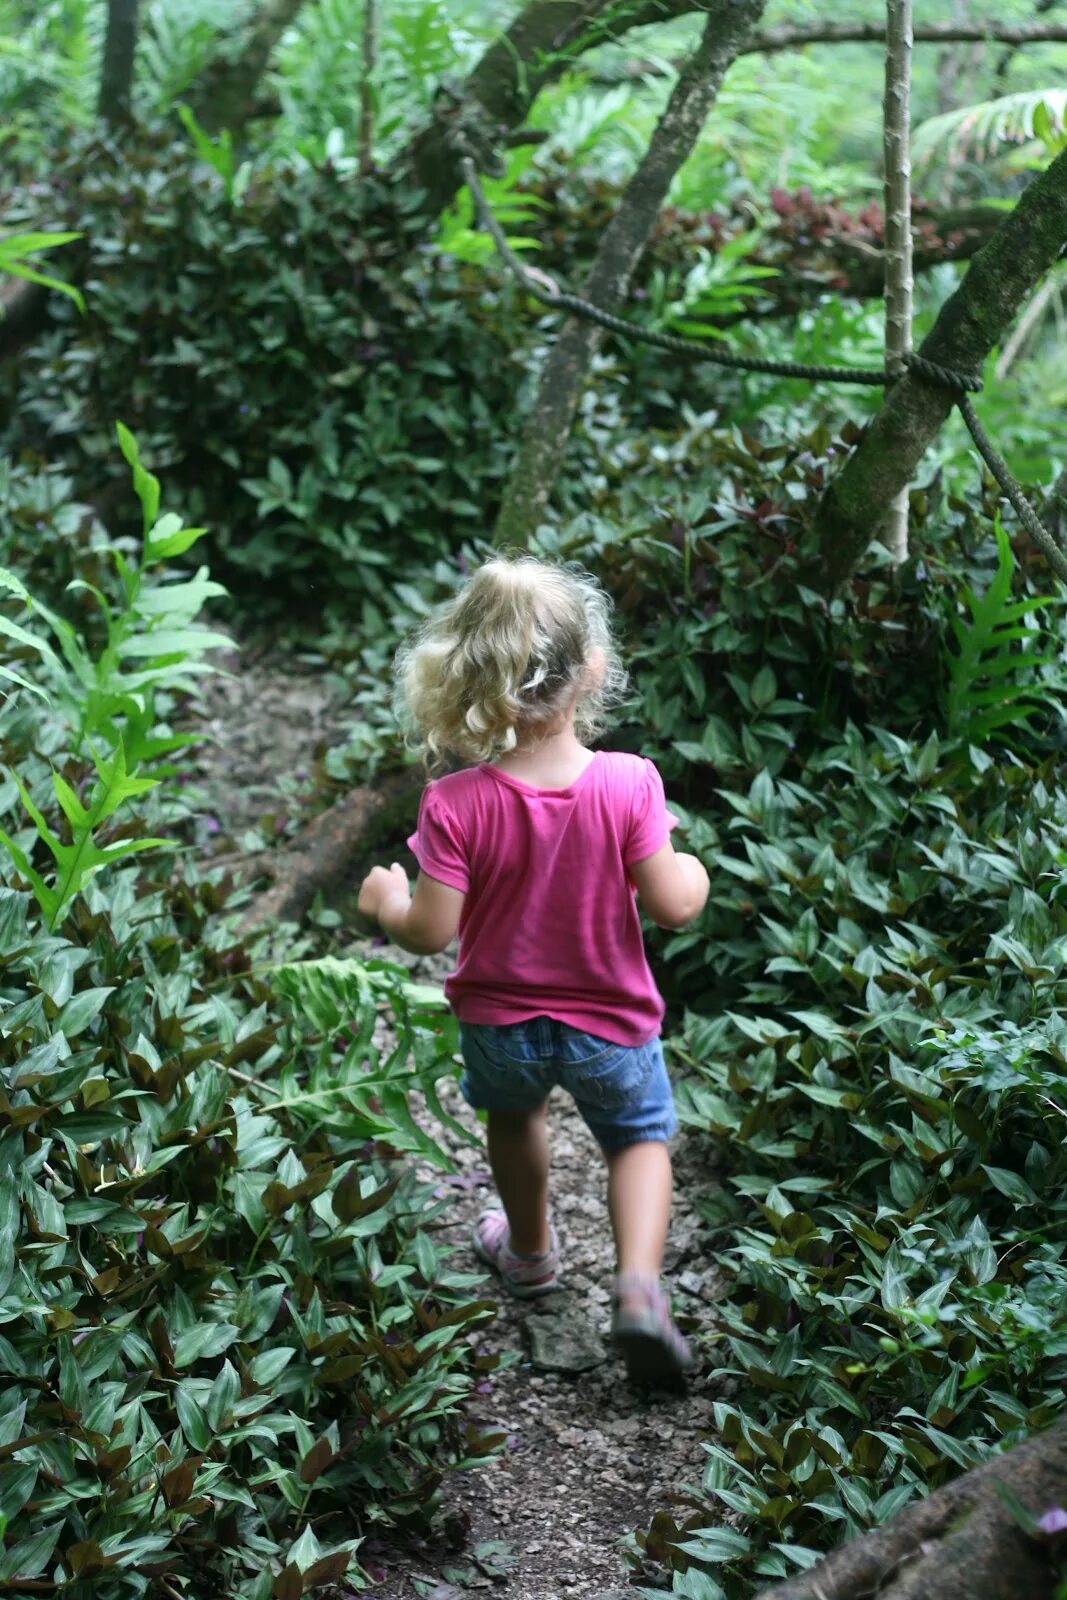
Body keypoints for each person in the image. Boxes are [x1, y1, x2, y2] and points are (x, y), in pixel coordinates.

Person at [357, 555, 710, 1385]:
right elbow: (674, 905)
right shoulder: (628, 784)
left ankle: (529, 1255)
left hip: (501, 1026)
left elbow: (429, 930)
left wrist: (384, 903)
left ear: (474, 677)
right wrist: (690, 870)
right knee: (638, 1140)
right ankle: (636, 1288)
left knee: (514, 1122)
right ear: (592, 668)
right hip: (610, 1025)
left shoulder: (456, 801)